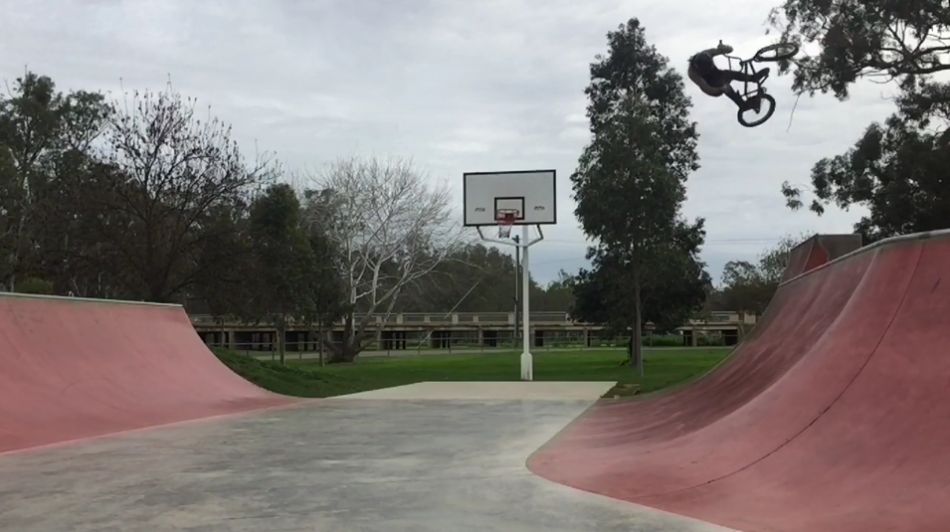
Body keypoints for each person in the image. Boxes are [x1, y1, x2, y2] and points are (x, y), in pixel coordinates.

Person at [688, 42, 769, 110]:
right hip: (712, 85)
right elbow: (707, 89)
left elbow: (730, 50)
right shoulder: (692, 73)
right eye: (706, 70)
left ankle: (752, 78)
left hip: (718, 74)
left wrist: (723, 48)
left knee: (728, 74)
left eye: (711, 66)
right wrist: (720, 89)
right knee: (726, 86)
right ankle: (743, 105)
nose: (709, 69)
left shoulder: (707, 53)